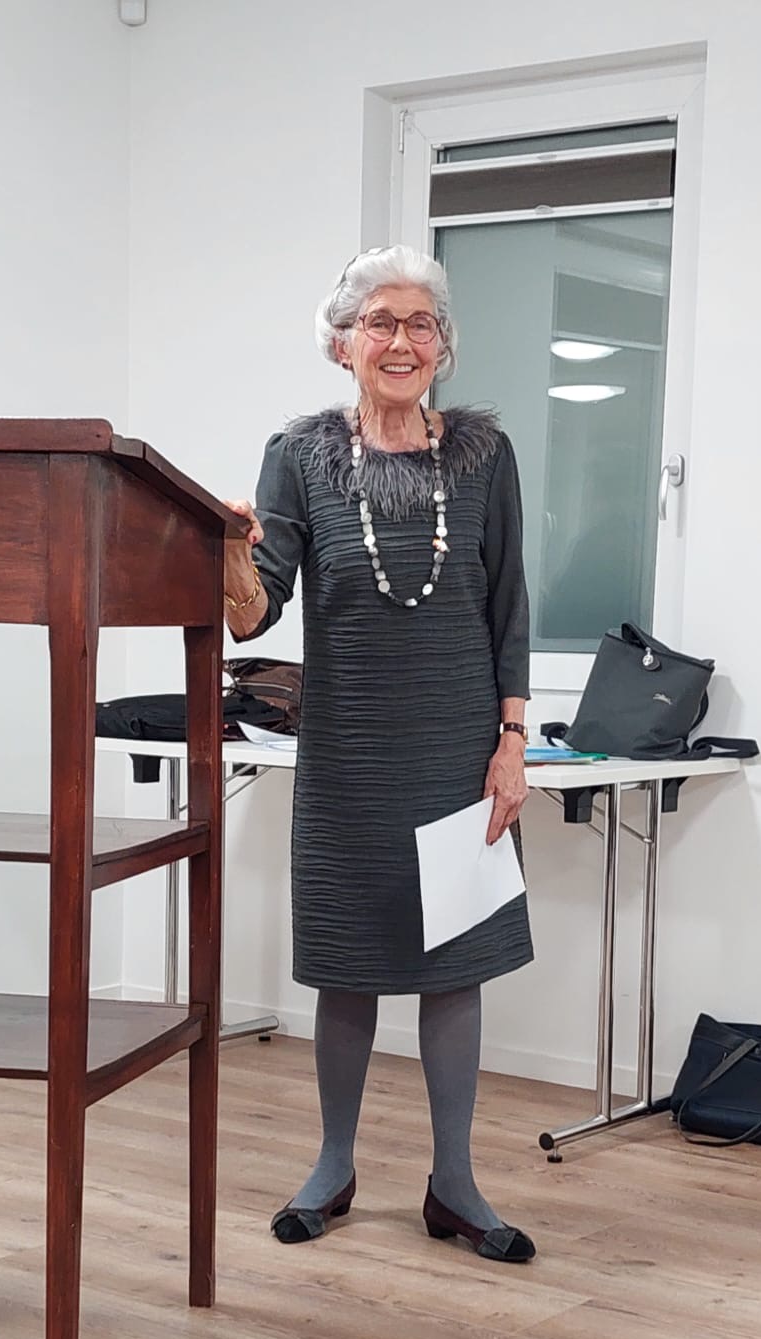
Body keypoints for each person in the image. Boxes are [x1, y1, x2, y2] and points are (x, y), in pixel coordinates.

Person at [224, 245, 536, 1264]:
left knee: (456, 968)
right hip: (349, 752)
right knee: (347, 964)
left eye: (420, 323)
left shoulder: (484, 458)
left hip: (457, 749)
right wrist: (229, 551)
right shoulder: (299, 457)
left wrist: (512, 741)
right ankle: (333, 1166)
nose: (401, 341)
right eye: (380, 322)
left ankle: (456, 1184)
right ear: (342, 343)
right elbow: (254, 610)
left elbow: (509, 606)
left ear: (442, 345)